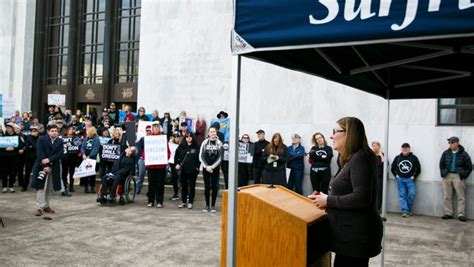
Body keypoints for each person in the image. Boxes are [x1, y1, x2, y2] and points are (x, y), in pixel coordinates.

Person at [310, 117, 383, 267]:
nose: (331, 136)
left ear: (349, 134)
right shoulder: (351, 158)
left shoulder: (361, 158)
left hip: (356, 238)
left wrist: (328, 201)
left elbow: (362, 198)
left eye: (335, 131)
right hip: (350, 236)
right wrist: (326, 198)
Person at [31, 124, 64, 216]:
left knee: (49, 188)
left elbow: (60, 154)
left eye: (56, 131)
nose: (54, 132)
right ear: (48, 132)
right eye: (52, 131)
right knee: (41, 187)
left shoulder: (60, 141)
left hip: (54, 166)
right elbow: (40, 153)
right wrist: (44, 165)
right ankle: (39, 207)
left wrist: (49, 160)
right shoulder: (41, 139)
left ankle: (46, 205)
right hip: (42, 166)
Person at [439, 136, 472, 222]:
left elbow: (469, 166)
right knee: (447, 196)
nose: (450, 144)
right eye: (449, 142)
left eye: (452, 142)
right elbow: (441, 164)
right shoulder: (445, 153)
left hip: (458, 176)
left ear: (457, 143)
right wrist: (443, 173)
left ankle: (461, 214)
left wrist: (464, 175)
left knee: (461, 196)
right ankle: (448, 213)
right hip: (447, 175)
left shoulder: (464, 154)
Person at [391, 143, 421, 218]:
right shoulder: (397, 158)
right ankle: (405, 211)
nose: (405, 149)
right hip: (400, 179)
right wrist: (396, 176)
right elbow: (392, 168)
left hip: (410, 180)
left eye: (406, 148)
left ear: (409, 149)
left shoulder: (414, 158)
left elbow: (418, 168)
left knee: (412, 194)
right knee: (402, 196)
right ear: (401, 149)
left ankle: (408, 209)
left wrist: (413, 177)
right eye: (403, 148)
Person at [144, 122, 170, 208]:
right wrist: (145, 157)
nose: (155, 129)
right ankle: (150, 201)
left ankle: (159, 201)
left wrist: (165, 158)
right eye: (154, 127)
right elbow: (145, 152)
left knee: (160, 184)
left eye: (157, 127)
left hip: (161, 166)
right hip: (151, 166)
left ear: (160, 128)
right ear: (152, 128)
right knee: (151, 184)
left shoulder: (163, 139)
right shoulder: (148, 138)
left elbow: (168, 152)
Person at [199, 126, 224, 213]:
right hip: (206, 168)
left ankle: (213, 205)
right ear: (208, 133)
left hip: (215, 168)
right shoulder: (204, 142)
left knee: (214, 187)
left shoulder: (220, 143)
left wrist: (212, 167)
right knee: (207, 187)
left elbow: (220, 158)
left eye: (214, 132)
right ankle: (207, 205)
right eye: (211, 132)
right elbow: (201, 156)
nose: (213, 133)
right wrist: (206, 166)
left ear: (216, 133)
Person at [175, 132, 201, 209]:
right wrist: (177, 164)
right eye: (187, 137)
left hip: (193, 170)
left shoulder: (196, 147)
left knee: (192, 186)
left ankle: (190, 202)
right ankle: (183, 202)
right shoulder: (181, 146)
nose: (188, 138)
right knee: (184, 186)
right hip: (183, 170)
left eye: (190, 136)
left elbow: (199, 158)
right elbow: (176, 156)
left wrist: (197, 167)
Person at [0, 123, 22, 193]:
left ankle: (11, 186)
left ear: (13, 129)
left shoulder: (17, 136)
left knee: (12, 171)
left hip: (13, 156)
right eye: (7, 128)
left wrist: (14, 148)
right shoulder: (3, 136)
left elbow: (20, 145)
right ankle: (4, 186)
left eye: (9, 128)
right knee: (4, 171)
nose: (8, 129)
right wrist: (5, 148)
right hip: (4, 156)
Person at [62, 126, 82, 193]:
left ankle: (71, 186)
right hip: (64, 157)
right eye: (70, 129)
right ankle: (64, 185)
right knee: (64, 172)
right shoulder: (62, 138)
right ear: (67, 130)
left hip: (73, 157)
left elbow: (79, 146)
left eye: (72, 129)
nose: (71, 130)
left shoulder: (76, 138)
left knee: (72, 172)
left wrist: (79, 154)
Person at [80, 127, 100, 193]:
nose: (86, 132)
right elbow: (82, 147)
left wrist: (89, 156)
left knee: (92, 173)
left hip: (93, 158)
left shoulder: (96, 138)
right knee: (86, 173)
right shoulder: (86, 138)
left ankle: (92, 187)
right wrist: (83, 154)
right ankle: (86, 187)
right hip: (85, 157)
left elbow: (95, 149)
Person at [135, 125, 152, 194]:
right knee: (141, 174)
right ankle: (138, 188)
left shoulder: (155, 139)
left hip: (151, 159)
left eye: (149, 130)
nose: (148, 132)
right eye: (147, 130)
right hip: (143, 158)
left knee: (151, 176)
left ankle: (150, 191)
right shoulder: (142, 139)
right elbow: (139, 149)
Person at [23, 126, 40, 191]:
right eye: (32, 131)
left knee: (37, 172)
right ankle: (25, 186)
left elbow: (37, 146)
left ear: (37, 132)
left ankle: (37, 185)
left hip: (37, 157)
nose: (33, 132)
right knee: (27, 172)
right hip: (28, 157)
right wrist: (31, 145)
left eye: (35, 131)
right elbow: (27, 147)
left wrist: (31, 145)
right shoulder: (28, 138)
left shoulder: (40, 138)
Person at [372, 141, 385, 213]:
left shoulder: (382, 155)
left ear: (379, 147)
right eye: (373, 146)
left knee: (379, 192)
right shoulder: (371, 155)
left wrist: (381, 155)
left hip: (379, 176)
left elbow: (385, 164)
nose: (374, 147)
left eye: (376, 146)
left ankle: (377, 208)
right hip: (371, 176)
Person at [168, 131, 181, 201]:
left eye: (177, 136)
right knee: (174, 178)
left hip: (180, 164)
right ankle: (176, 193)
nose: (176, 138)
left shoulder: (182, 145)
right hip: (172, 163)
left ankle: (186, 193)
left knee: (181, 178)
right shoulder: (170, 144)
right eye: (175, 136)